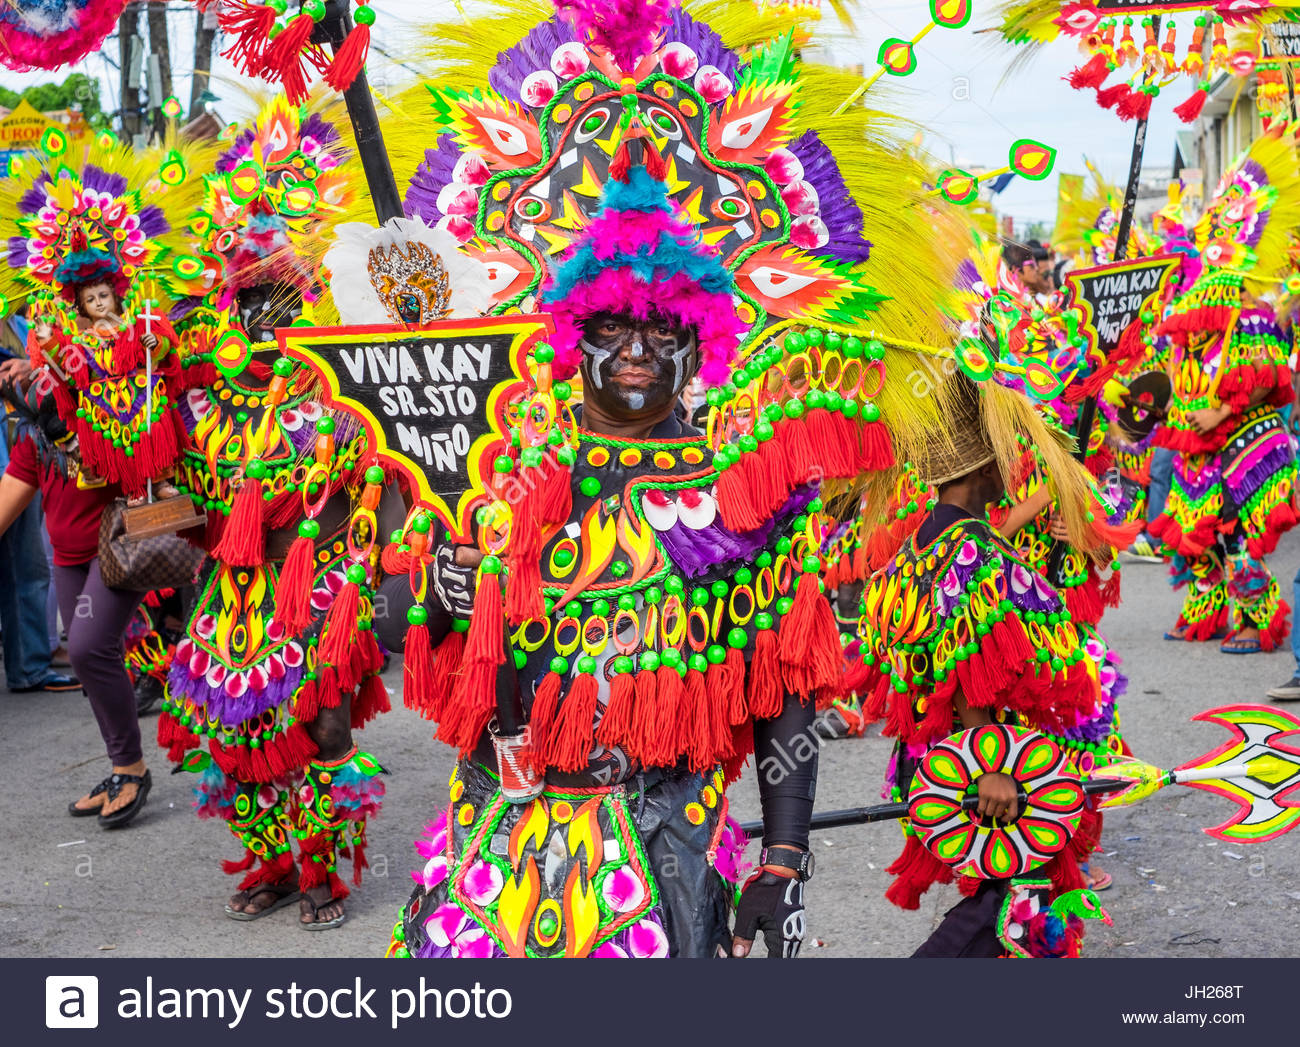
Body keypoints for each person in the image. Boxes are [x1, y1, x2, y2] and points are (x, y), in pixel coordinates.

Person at [857, 374, 1107, 958]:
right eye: (1003, 459)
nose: (1013, 471)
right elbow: (961, 661)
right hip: (989, 770)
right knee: (1004, 910)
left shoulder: (923, 538)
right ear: (984, 469)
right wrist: (991, 762)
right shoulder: (975, 551)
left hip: (949, 761)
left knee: (1011, 904)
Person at [1148, 127, 1299, 653]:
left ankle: (1260, 621)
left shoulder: (1250, 312)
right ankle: (1207, 614)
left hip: (1242, 441)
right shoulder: (1188, 308)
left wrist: (1220, 413)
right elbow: (1172, 370)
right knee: (1195, 536)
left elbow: (1265, 377)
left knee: (1239, 537)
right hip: (1196, 443)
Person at [0, 371, 149, 826]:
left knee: (86, 647)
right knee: (90, 661)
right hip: (67, 559)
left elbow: (135, 467)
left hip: (119, 550)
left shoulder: (113, 418)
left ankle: (131, 770)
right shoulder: (32, 433)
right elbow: (11, 493)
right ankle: (123, 767)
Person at [0, 359, 76, 693]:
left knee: (28, 568)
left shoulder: (18, 326)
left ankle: (30, 664)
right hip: (16, 458)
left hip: (20, 453)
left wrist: (33, 366)